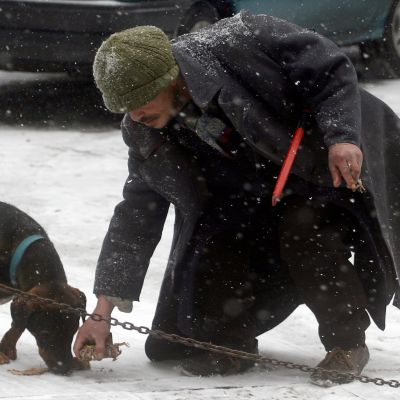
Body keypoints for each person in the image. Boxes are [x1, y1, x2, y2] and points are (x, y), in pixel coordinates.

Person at [74, 11, 400, 385]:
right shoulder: (144, 130)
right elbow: (136, 214)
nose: (134, 115)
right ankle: (231, 347)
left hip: (320, 165)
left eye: (141, 100)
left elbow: (330, 66)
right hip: (248, 192)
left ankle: (347, 343)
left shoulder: (243, 38)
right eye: (124, 108)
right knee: (187, 324)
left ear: (171, 78)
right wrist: (102, 311)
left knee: (304, 231)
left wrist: (342, 135)